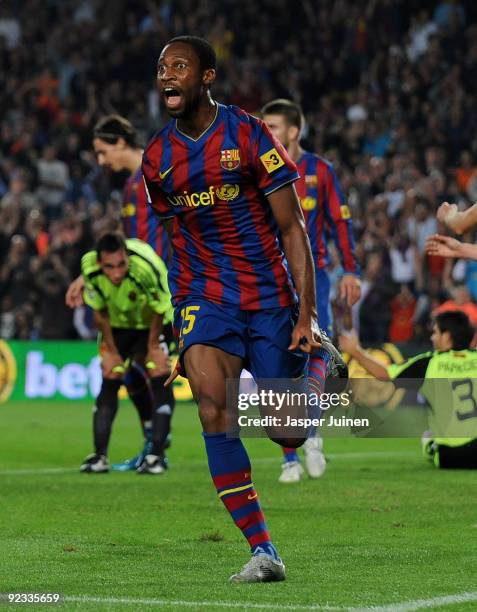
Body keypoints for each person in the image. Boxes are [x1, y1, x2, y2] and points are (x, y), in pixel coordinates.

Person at [142, 35, 341, 583]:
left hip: (269, 298)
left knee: (289, 434)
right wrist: (179, 316)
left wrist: (305, 314)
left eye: (179, 66)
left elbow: (292, 227)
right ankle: (263, 551)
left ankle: (321, 364)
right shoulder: (156, 156)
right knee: (212, 409)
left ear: (206, 76)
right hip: (205, 298)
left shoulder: (247, 133)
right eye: (162, 68)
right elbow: (174, 235)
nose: (167, 76)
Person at [261, 99, 361, 483]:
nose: (267, 133)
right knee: (280, 360)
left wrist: (350, 269)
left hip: (314, 275)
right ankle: (289, 458)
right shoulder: (258, 169)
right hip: (272, 276)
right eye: (264, 126)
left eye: (274, 126)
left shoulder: (321, 171)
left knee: (315, 348)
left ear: (294, 131)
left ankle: (313, 435)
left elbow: (340, 220)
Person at [66, 115, 172, 472]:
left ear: (121, 143)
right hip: (135, 294)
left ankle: (294, 438)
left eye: (102, 151)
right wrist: (88, 273)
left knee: (168, 369)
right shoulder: (131, 186)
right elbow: (125, 245)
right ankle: (154, 442)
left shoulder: (158, 173)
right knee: (130, 371)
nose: (100, 160)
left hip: (165, 290)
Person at [80, 232, 174, 475]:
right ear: (100, 262)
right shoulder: (89, 268)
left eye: (121, 264)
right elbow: (99, 310)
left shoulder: (144, 269)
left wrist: (153, 345)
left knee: (159, 371)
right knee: (110, 374)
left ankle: (157, 455)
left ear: (127, 258)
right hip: (119, 324)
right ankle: (99, 456)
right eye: (110, 266)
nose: (117, 273)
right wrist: (110, 350)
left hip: (155, 321)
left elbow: (160, 308)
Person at [339, 311, 477, 469]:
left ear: (446, 337)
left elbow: (384, 374)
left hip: (450, 456)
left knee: (427, 437)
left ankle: (431, 447)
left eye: (435, 333)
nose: (432, 338)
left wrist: (354, 351)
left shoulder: (429, 363)